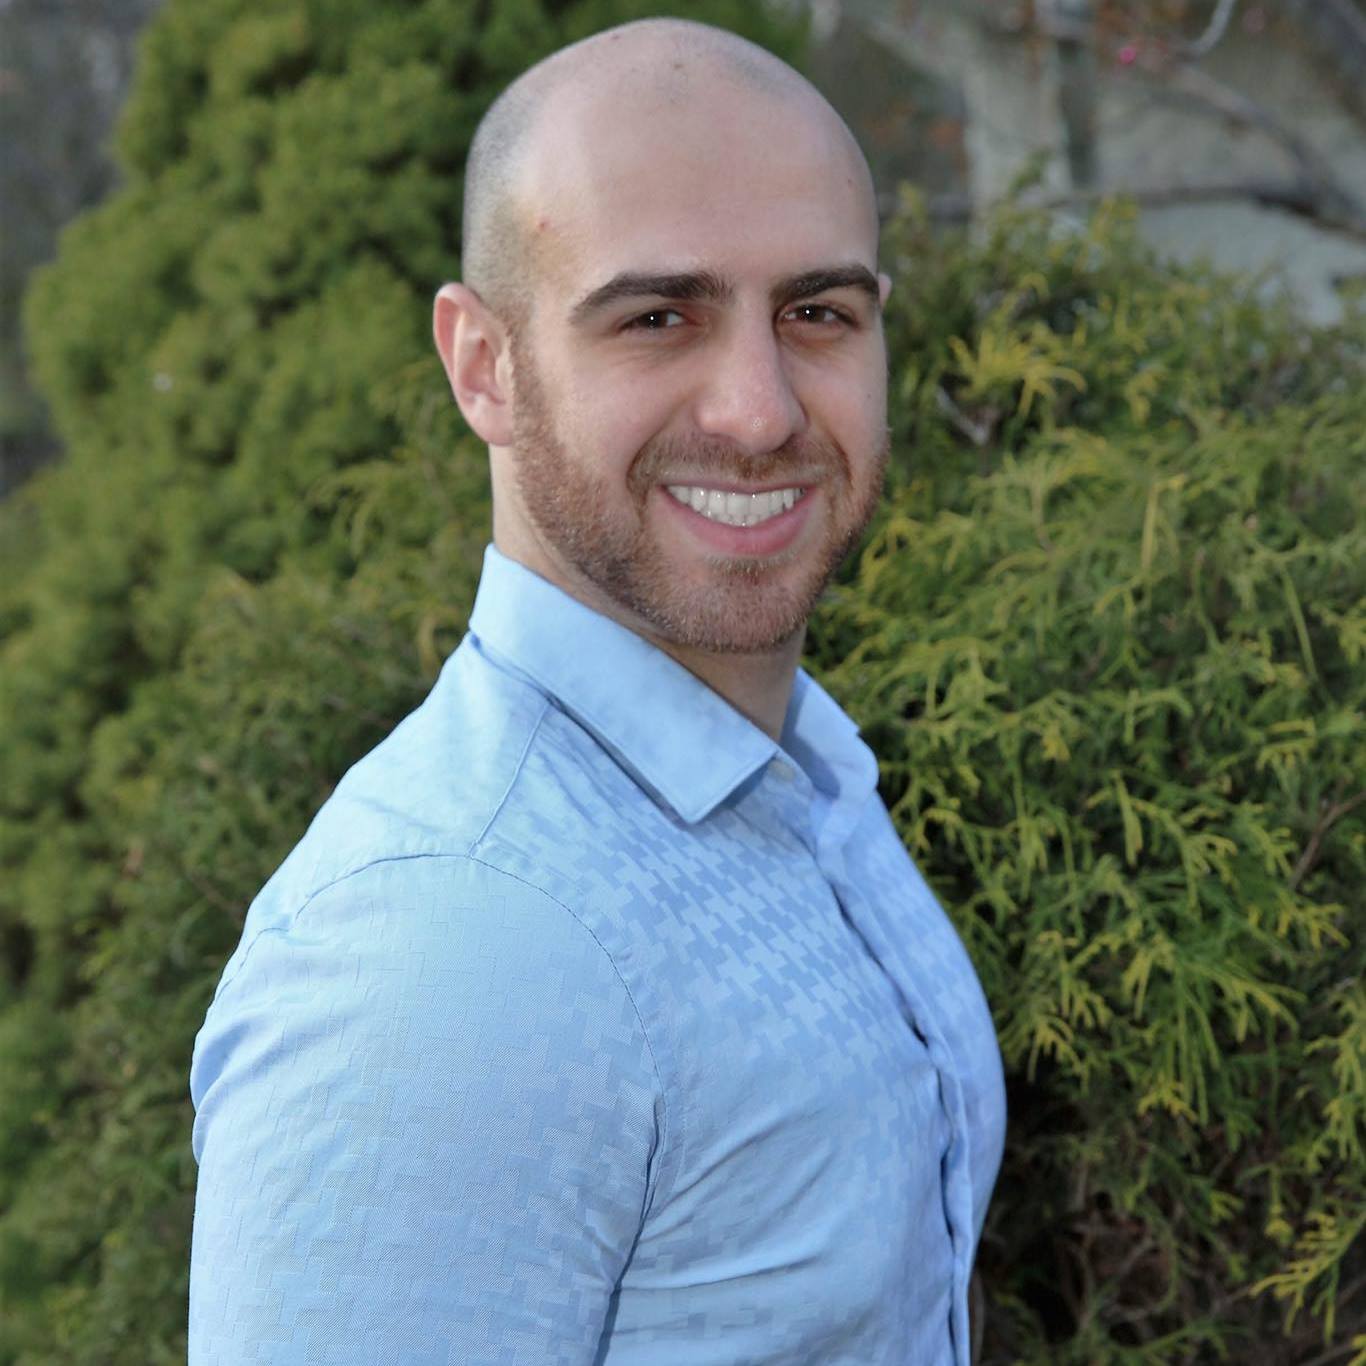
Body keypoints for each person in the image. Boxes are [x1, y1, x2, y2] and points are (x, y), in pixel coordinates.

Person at [188, 17, 1006, 1364]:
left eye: (816, 313)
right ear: (483, 366)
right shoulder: (444, 947)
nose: (759, 410)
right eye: (657, 318)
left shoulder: (802, 773)